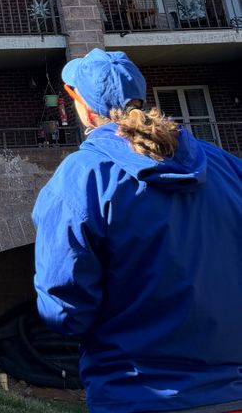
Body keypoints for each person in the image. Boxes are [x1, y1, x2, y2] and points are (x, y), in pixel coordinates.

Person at [32, 48, 242, 413]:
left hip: (138, 395)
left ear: (84, 109)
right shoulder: (226, 165)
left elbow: (64, 310)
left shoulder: (83, 176)